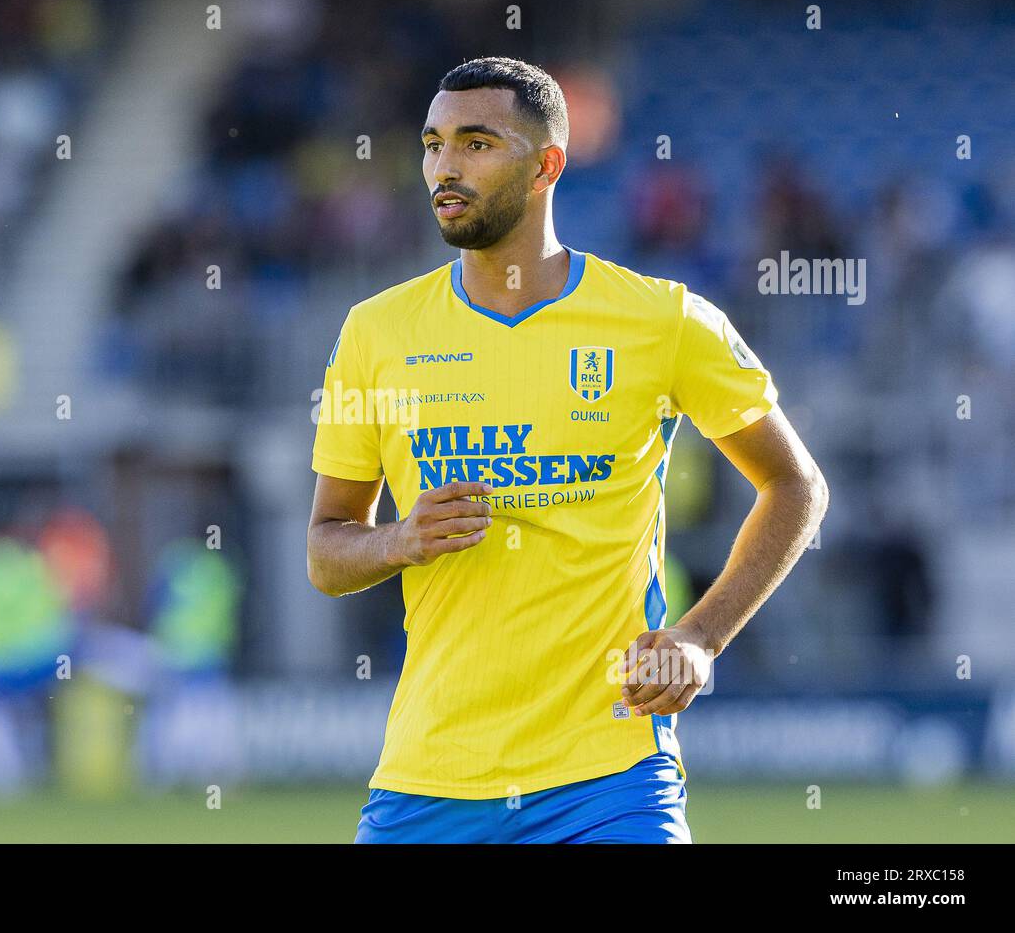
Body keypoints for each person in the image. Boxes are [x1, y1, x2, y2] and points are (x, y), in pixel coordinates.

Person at [306, 57, 828, 843]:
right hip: (430, 782)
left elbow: (794, 486)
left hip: (609, 778)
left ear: (548, 163)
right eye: (432, 143)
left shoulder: (664, 322)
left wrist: (698, 635)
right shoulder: (374, 333)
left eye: (477, 143)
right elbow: (325, 551)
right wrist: (399, 541)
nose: (445, 166)